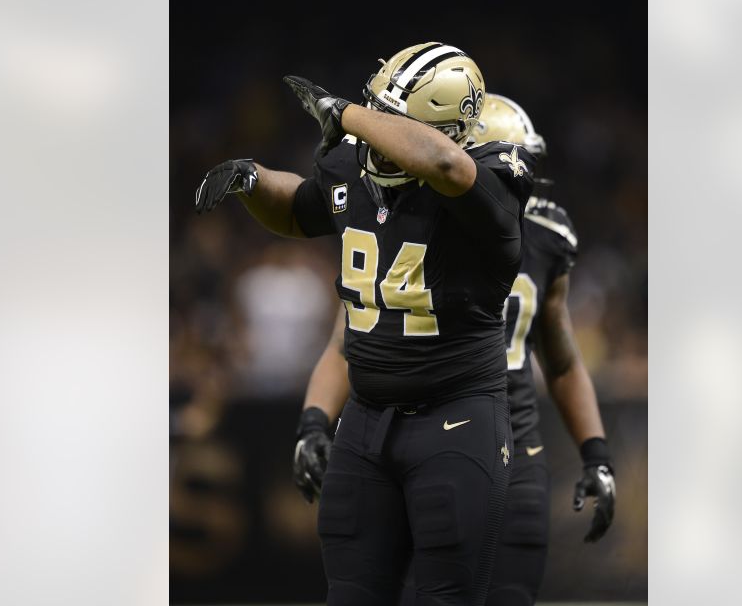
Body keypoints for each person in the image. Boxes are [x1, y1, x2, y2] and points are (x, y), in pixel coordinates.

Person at [194, 43, 538, 605]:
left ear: (443, 127)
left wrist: (346, 113)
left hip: (456, 420)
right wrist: (252, 181)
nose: (371, 128)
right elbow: (306, 206)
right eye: (370, 108)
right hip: (366, 423)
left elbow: (447, 166)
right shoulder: (354, 166)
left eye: (389, 118)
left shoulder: (496, 177)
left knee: (446, 597)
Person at [293, 94, 617, 606]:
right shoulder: (409, 219)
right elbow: (348, 338)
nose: (519, 175)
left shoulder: (546, 236)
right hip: (420, 431)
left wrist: (596, 454)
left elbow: (563, 359)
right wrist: (315, 420)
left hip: (500, 429)